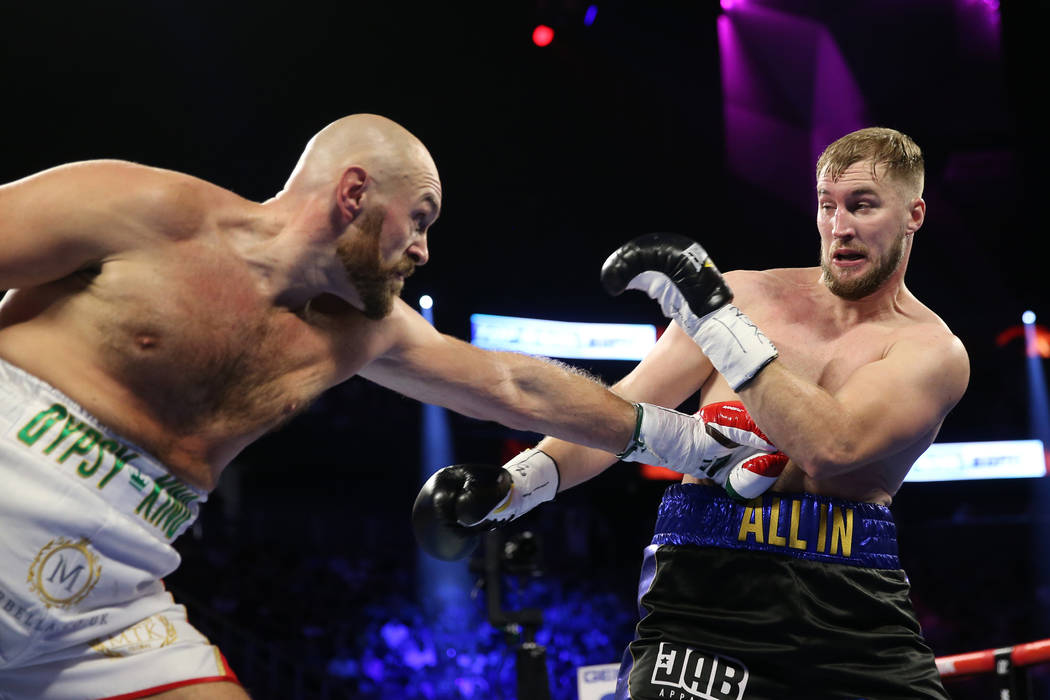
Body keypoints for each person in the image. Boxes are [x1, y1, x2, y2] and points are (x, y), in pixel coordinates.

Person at [0, 113, 752, 700]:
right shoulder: (150, 211)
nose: (424, 248)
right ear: (354, 193)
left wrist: (694, 447)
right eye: (419, 218)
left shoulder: (362, 332)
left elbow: (512, 386)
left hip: (115, 588)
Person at [415, 127, 969, 699]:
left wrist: (717, 321)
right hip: (704, 600)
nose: (840, 227)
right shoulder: (745, 296)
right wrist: (517, 483)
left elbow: (832, 447)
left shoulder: (932, 352)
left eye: (862, 206)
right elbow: (621, 412)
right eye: (827, 205)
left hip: (852, 610)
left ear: (914, 214)